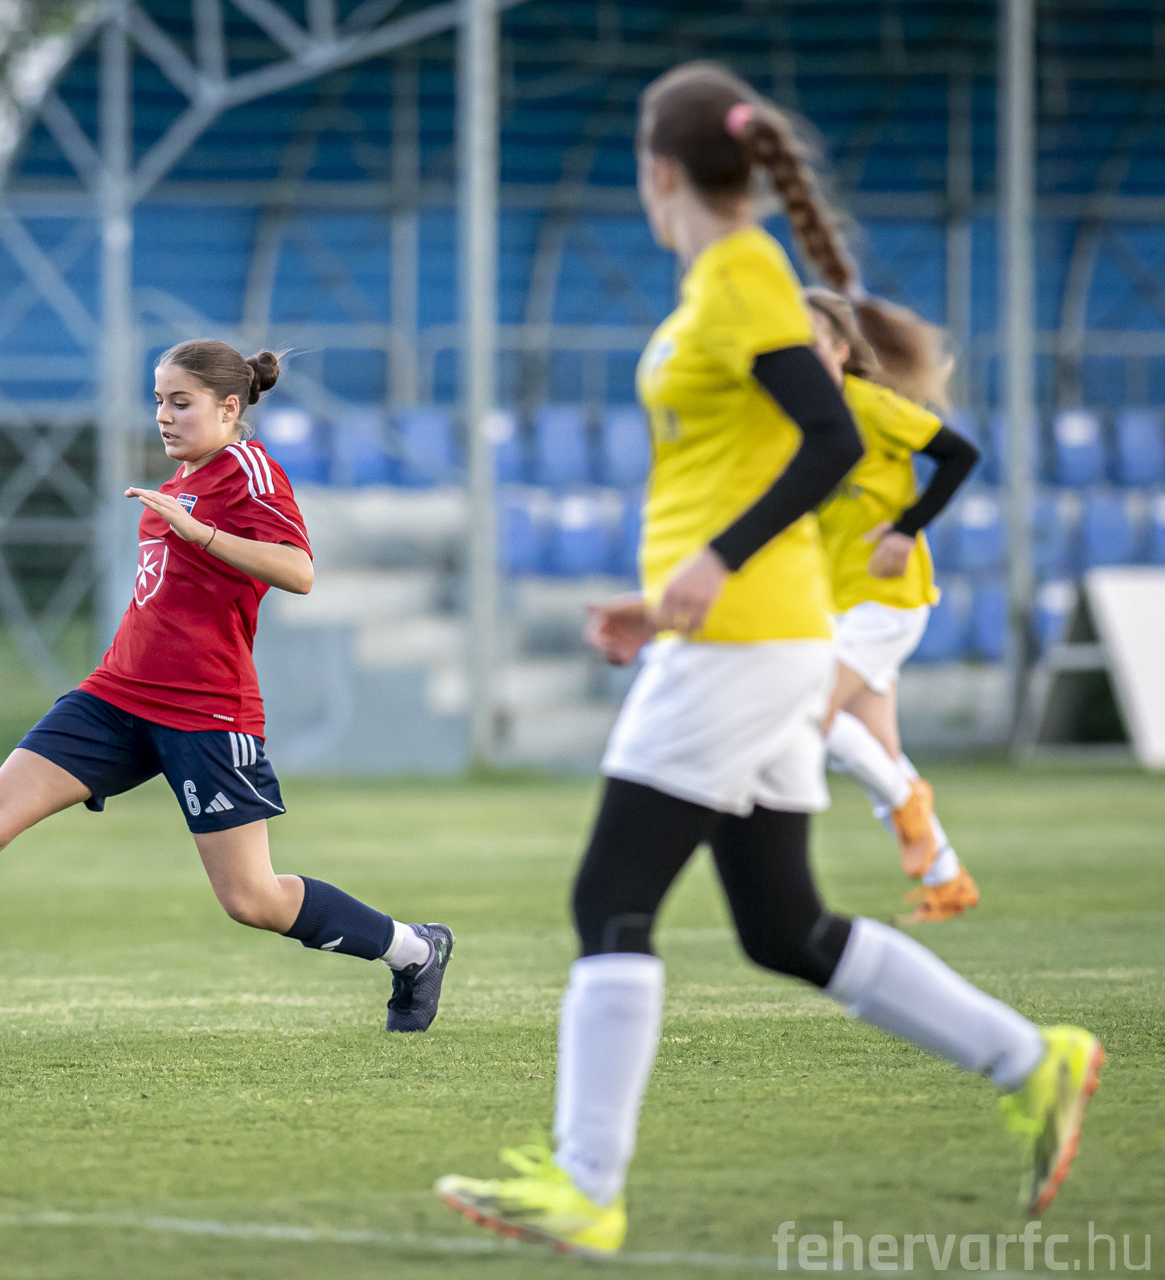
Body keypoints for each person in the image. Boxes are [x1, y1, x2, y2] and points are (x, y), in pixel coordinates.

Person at [432, 64, 1101, 1255]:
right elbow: (738, 464)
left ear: (659, 172)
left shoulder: (742, 275)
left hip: (746, 639)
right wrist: (664, 598)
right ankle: (1031, 1057)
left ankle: (587, 1184)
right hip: (747, 628)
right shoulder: (727, 279)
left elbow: (832, 433)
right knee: (783, 924)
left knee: (609, 894)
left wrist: (716, 564)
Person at [0, 340, 454, 1032]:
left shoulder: (247, 470)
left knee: (252, 899)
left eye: (182, 402)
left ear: (229, 407)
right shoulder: (176, 486)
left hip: (205, 711)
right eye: (159, 401)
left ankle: (415, 951)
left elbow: (299, 571)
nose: (164, 416)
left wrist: (201, 533)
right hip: (116, 696)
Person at [805, 286, 982, 922]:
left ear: (840, 350)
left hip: (886, 601)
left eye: (811, 344)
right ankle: (946, 880)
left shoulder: (870, 405)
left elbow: (959, 454)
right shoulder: (791, 421)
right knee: (878, 750)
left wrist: (906, 529)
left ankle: (909, 802)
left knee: (805, 711)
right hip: (836, 602)